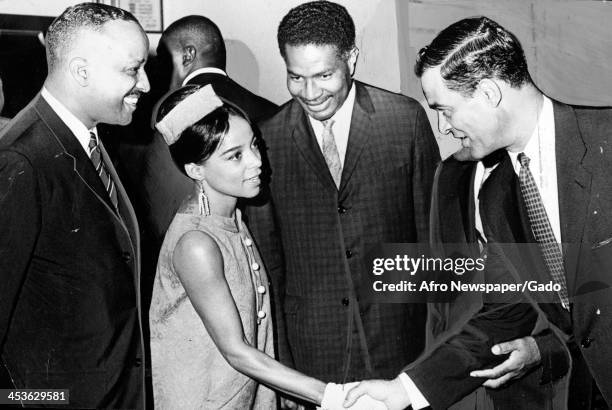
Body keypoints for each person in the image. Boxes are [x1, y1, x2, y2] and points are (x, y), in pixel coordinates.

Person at [345, 16, 612, 409]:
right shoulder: (495, 196)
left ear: (488, 93)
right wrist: (404, 389)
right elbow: (506, 312)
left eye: (446, 109)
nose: (443, 126)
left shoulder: (605, 140)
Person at [148, 84, 385, 410]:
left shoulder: (233, 218)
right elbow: (236, 350)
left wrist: (282, 394)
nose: (256, 162)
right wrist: (329, 395)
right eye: (235, 156)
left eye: (254, 146)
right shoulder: (197, 244)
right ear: (195, 170)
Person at [246, 0, 439, 390]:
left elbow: (433, 241)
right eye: (296, 77)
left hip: (401, 343)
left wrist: (434, 353)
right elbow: (270, 263)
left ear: (351, 57)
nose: (310, 92)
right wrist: (284, 369)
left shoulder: (405, 120)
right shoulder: (267, 138)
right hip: (313, 354)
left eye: (323, 75)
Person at [0, 3, 150, 408]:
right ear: (82, 72)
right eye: (133, 70)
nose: (147, 84)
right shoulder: (21, 160)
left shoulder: (90, 138)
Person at [139, 15, 278, 250]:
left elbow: (162, 206)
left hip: (199, 247)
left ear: (188, 55)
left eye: (163, 59)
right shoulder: (272, 109)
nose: (157, 71)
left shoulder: (173, 111)